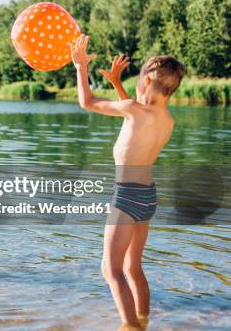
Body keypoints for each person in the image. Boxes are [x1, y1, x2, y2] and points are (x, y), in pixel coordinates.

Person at [71, 35, 186, 330]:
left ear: (146, 79)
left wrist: (80, 66)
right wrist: (117, 82)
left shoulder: (135, 111)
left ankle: (130, 326)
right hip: (147, 196)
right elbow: (132, 112)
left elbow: (87, 102)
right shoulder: (165, 119)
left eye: (138, 74)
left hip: (126, 197)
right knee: (132, 268)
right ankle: (144, 320)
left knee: (111, 270)